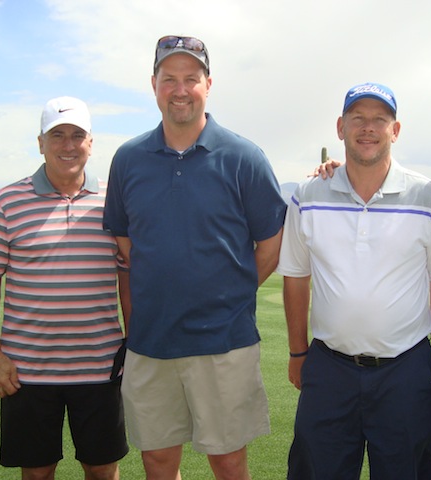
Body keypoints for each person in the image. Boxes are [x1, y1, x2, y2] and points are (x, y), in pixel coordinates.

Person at [102, 35, 286, 480]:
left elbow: (271, 246)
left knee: (227, 460)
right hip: (151, 342)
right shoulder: (128, 159)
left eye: (191, 78)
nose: (180, 89)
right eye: (170, 79)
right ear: (153, 85)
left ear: (208, 84)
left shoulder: (244, 157)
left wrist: (223, 295)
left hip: (224, 343)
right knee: (159, 461)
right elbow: (126, 243)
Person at [277, 82, 431, 479]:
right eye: (358, 119)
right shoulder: (308, 194)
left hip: (406, 369)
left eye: (379, 120)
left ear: (395, 130)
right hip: (329, 368)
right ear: (341, 127)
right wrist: (298, 353)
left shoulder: (428, 197)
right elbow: (297, 277)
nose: (368, 128)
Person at [0, 96, 130, 480]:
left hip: (101, 367)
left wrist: (135, 341)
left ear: (91, 142)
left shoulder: (115, 200)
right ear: (40, 142)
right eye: (56, 135)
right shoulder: (7, 201)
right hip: (27, 370)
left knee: (103, 469)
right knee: (37, 472)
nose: (68, 145)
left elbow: (128, 273)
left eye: (77, 135)